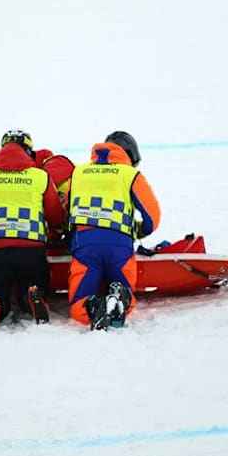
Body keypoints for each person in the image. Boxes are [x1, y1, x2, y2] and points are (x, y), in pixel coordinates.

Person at [67, 131, 161, 330]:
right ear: (130, 155)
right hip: (119, 245)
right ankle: (120, 298)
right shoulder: (130, 174)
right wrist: (139, 231)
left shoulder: (79, 172)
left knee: (78, 307)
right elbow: (152, 216)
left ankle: (92, 307)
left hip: (85, 246)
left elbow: (66, 208)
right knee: (128, 299)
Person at [0, 139, 65, 335]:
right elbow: (55, 214)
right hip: (31, 245)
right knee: (33, 283)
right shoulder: (40, 176)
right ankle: (33, 297)